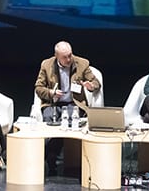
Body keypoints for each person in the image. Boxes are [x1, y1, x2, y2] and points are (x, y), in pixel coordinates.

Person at [34, 41, 101, 176]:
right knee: (50, 122)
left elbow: (96, 83)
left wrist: (91, 86)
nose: (69, 59)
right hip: (53, 103)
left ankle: (49, 155)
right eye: (65, 57)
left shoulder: (82, 63)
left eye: (70, 55)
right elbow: (38, 88)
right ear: (57, 56)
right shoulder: (46, 65)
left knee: (69, 122)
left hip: (73, 103)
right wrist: (51, 93)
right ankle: (51, 155)